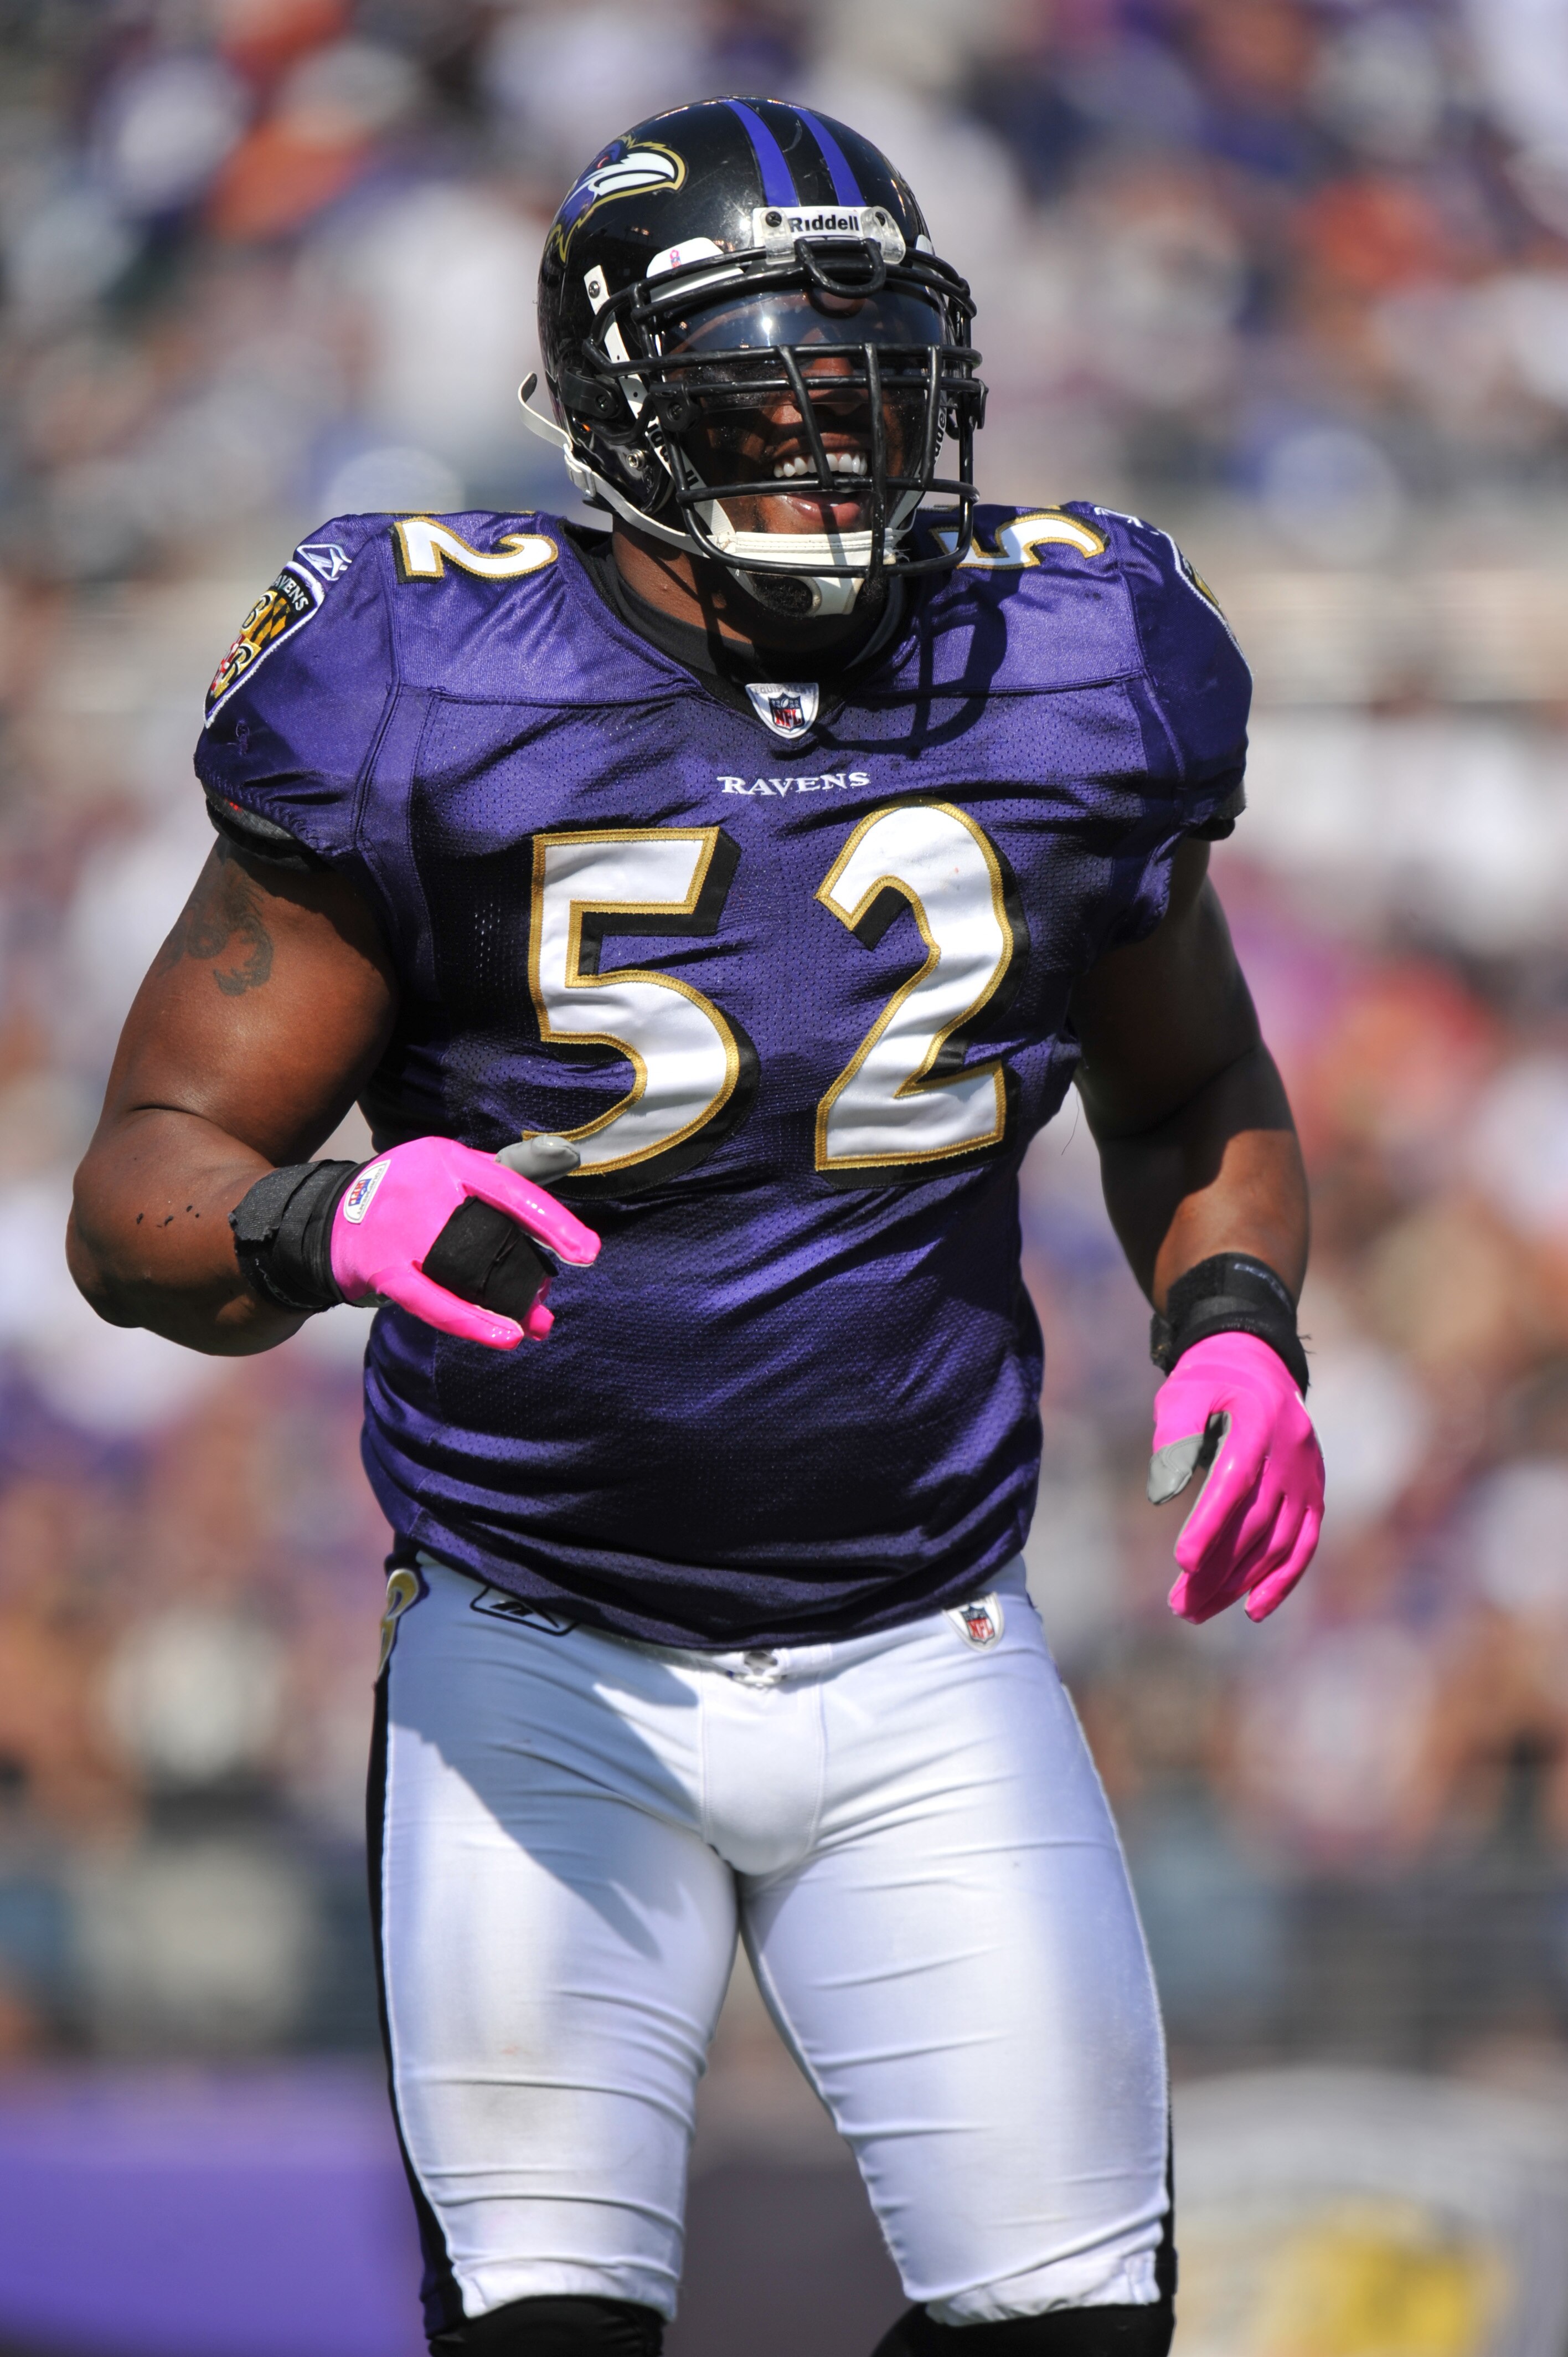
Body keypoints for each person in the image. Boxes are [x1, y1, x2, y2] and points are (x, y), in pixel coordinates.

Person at [68, 97, 1323, 2357]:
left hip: (928, 1643)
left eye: (876, 396)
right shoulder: (428, 680)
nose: (841, 459)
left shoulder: (1072, 653)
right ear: (625, 416)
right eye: (772, 400)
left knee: (1077, 2328)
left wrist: (1234, 1313)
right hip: (534, 1661)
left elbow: (1193, 1081)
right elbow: (136, 1191)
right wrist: (326, 1213)